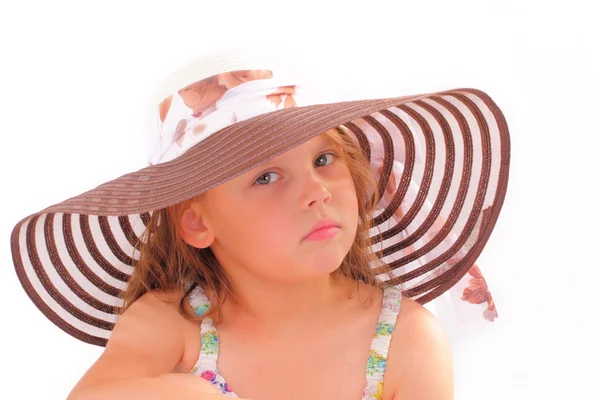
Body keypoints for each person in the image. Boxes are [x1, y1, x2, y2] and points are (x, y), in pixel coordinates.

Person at [10, 47, 510, 400]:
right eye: (267, 176)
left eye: (323, 160)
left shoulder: (407, 339)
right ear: (197, 224)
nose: (316, 191)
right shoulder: (172, 323)